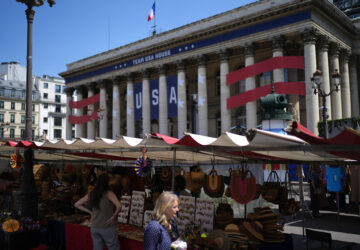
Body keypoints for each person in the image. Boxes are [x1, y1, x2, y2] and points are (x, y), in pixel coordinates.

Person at [74, 174, 122, 250]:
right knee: (113, 248)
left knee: (97, 248)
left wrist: (90, 212)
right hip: (107, 227)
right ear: (107, 182)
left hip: (95, 227)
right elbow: (119, 206)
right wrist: (113, 217)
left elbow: (77, 204)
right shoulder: (109, 193)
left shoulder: (92, 193)